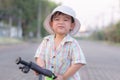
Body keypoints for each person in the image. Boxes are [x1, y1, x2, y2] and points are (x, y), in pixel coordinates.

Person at [34, 5, 86, 80]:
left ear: (72, 25)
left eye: (65, 20)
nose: (61, 22)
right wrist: (40, 68)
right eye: (57, 19)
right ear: (51, 24)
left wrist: (63, 77)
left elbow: (78, 62)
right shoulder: (46, 41)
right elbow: (40, 57)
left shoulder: (72, 43)